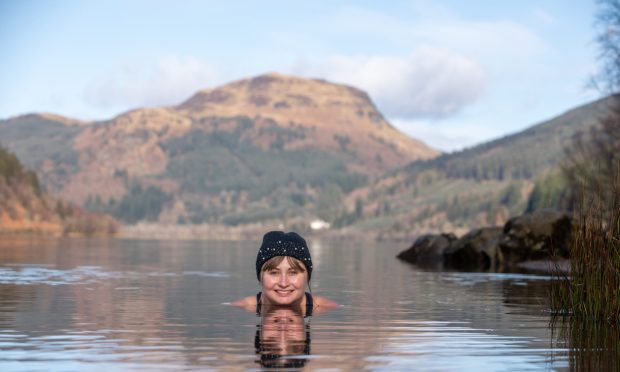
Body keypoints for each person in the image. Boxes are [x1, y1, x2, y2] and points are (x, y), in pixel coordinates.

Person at [233, 231, 337, 316]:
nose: (283, 283)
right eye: (274, 273)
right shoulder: (240, 308)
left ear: (307, 277)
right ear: (260, 277)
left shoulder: (329, 308)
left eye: (293, 273)